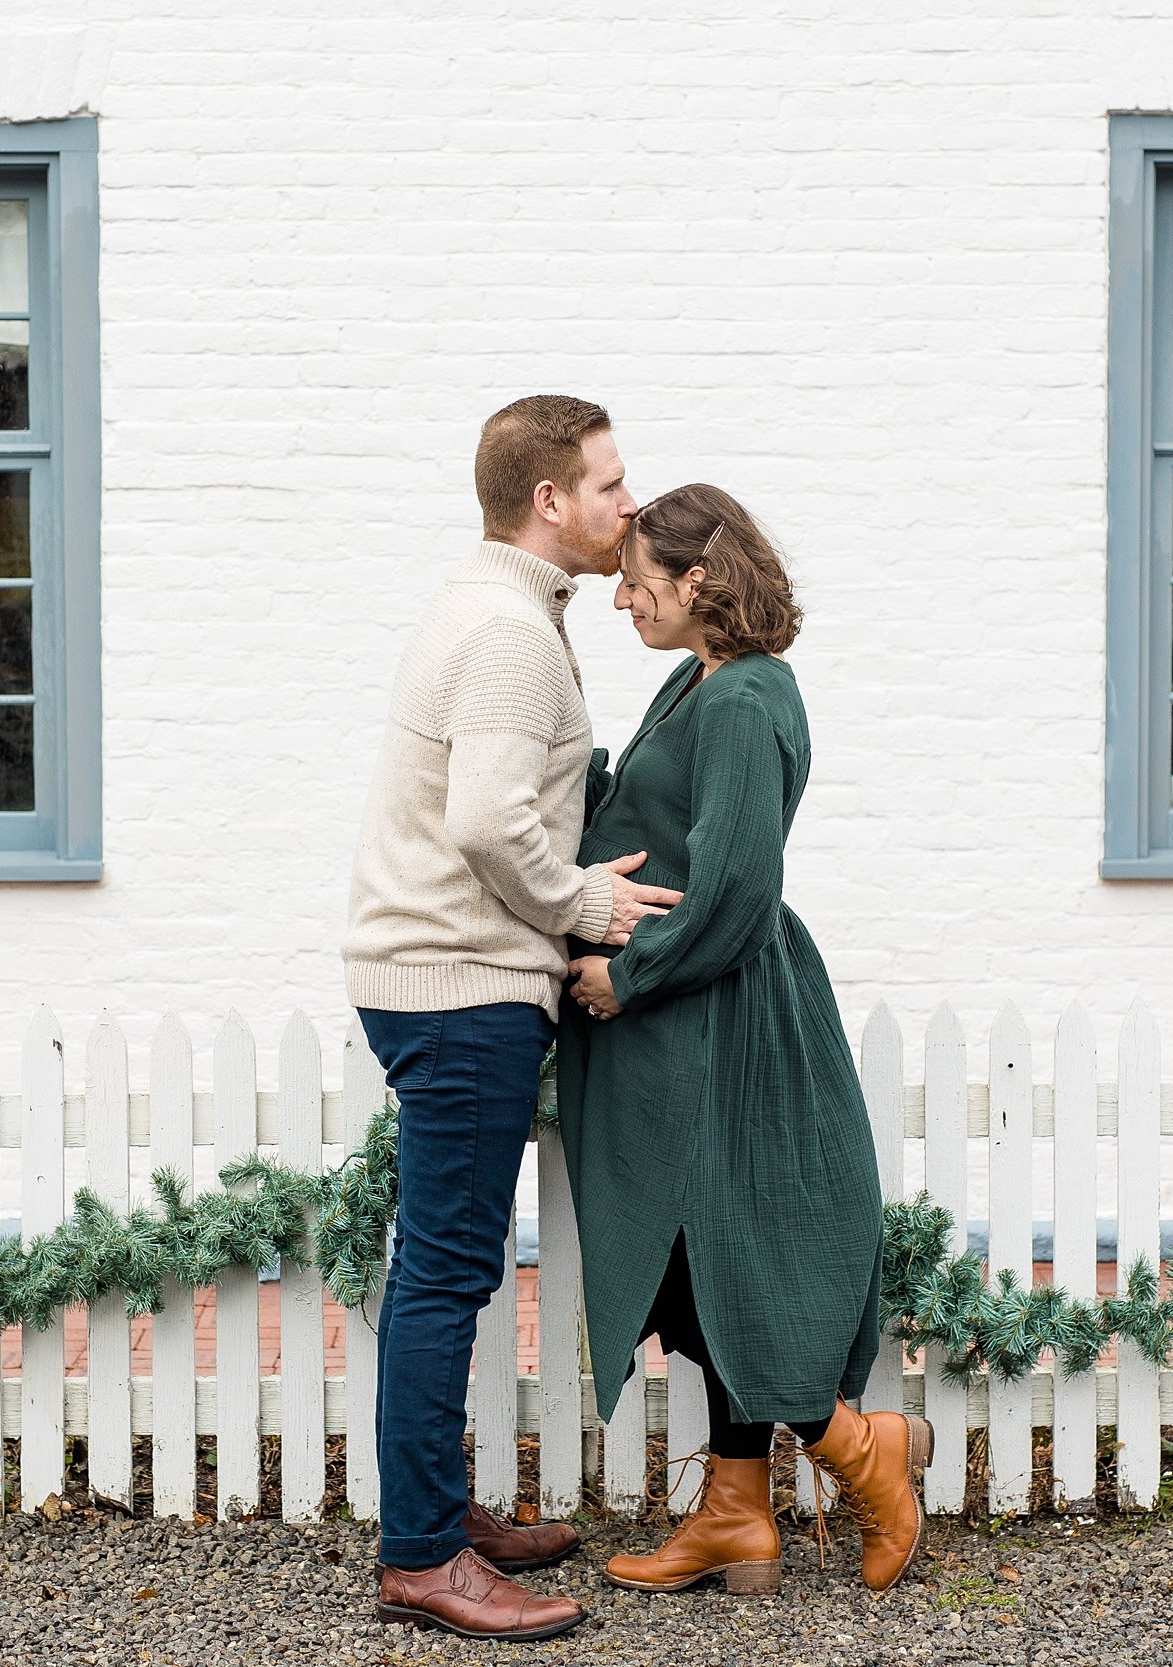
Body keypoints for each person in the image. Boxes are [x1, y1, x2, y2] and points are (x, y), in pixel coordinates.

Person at [343, 394, 682, 1642]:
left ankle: (436, 1513)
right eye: (608, 483)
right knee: (445, 1274)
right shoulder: (505, 633)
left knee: (444, 1267)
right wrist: (582, 900)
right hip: (463, 984)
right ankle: (424, 1556)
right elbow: (490, 819)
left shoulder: (496, 609)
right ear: (549, 499)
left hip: (442, 977)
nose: (627, 503)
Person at [560, 484, 930, 1597]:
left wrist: (628, 973)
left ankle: (867, 1453)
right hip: (690, 1012)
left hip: (720, 1013)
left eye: (637, 578)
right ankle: (733, 1513)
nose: (620, 596)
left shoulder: (745, 701)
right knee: (686, 1260)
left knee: (724, 1255)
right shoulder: (698, 679)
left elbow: (733, 888)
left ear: (699, 581)